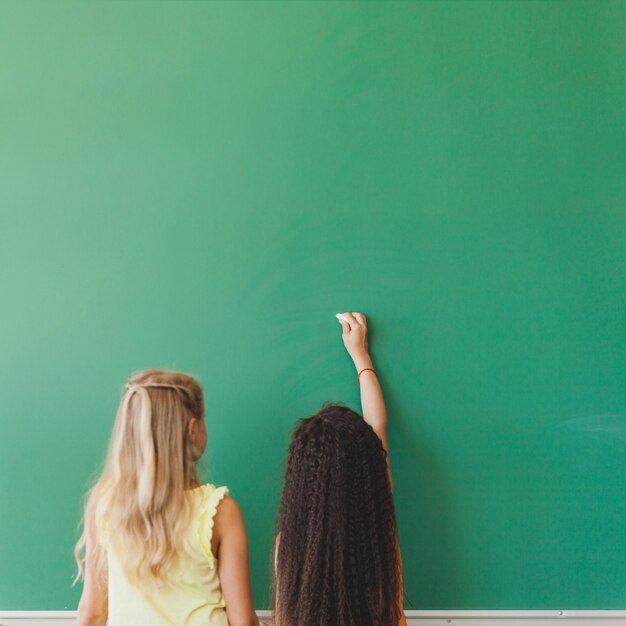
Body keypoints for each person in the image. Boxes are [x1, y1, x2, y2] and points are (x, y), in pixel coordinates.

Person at [75, 369, 258, 626]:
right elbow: (242, 620)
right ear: (192, 429)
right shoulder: (219, 512)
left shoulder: (106, 504)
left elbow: (92, 612)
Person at [272, 312, 407, 626]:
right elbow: (378, 425)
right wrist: (361, 357)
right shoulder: (379, 540)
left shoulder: (288, 546)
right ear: (367, 470)